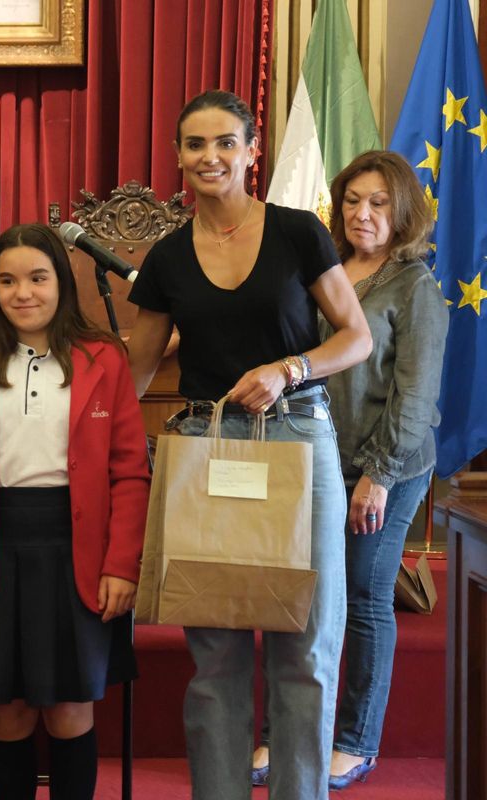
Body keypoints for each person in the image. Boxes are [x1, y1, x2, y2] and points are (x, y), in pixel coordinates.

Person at [126, 90, 372, 800]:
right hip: (206, 448)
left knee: (307, 646)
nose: (211, 157)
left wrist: (290, 367)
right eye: (196, 145)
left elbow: (355, 338)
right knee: (215, 655)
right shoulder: (167, 257)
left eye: (226, 143)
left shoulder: (299, 232)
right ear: (178, 156)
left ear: (252, 150)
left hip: (299, 437)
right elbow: (133, 372)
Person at [0, 224, 148, 799]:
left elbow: (129, 471)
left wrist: (122, 564)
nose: (22, 293)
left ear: (61, 283)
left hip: (77, 552)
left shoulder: (104, 358)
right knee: (8, 715)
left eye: (37, 278)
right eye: (7, 280)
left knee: (71, 713)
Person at [251, 150, 447, 790]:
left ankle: (356, 740)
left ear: (402, 212)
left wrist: (380, 476)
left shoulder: (415, 286)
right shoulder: (321, 269)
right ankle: (286, 734)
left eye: (378, 203)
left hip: (382, 465)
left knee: (361, 598)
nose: (362, 214)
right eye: (353, 200)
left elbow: (414, 396)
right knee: (298, 600)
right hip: (310, 462)